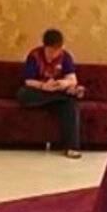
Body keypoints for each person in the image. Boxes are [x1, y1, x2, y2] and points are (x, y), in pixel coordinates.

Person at [17, 28, 86, 158]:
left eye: (56, 51)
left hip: (56, 95)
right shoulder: (34, 55)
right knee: (22, 94)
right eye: (50, 51)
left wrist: (62, 84)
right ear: (44, 46)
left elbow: (72, 79)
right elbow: (28, 81)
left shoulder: (65, 57)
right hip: (39, 94)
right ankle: (66, 95)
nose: (53, 54)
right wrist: (43, 86)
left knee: (70, 104)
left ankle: (72, 148)